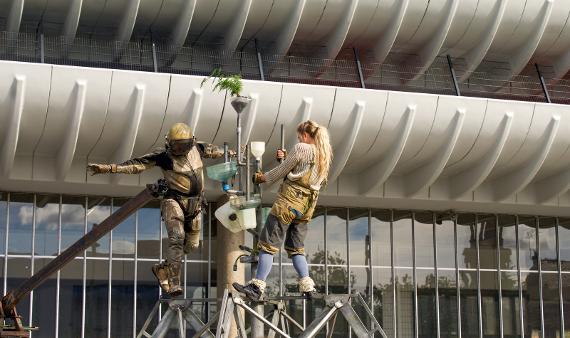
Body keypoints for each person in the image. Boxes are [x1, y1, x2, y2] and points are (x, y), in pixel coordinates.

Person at [88, 123, 228, 297]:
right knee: (177, 238)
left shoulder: (198, 148)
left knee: (191, 245)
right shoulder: (163, 156)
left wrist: (230, 152)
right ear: (169, 143)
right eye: (176, 145)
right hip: (174, 201)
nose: (180, 149)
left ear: (191, 142)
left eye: (184, 145)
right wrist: (110, 168)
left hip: (196, 204)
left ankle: (163, 268)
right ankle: (174, 281)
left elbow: (215, 151)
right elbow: (136, 165)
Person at [233, 120, 333, 301]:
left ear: (304, 135)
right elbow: (301, 174)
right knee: (296, 249)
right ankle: (307, 286)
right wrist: (285, 158)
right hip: (306, 209)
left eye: (298, 136)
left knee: (267, 244)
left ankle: (256, 287)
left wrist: (261, 178)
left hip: (288, 203)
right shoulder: (323, 154)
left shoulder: (301, 148)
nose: (298, 139)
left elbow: (281, 171)